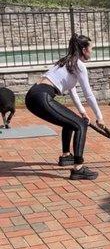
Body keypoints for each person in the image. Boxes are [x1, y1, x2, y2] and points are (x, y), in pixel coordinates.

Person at [25, 34, 105, 180]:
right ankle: (78, 168)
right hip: (41, 96)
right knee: (80, 125)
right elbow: (88, 95)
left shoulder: (65, 62)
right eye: (91, 48)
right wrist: (99, 117)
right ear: (84, 49)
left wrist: (82, 112)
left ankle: (66, 156)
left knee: (71, 120)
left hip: (33, 95)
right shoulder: (79, 66)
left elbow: (72, 89)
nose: (92, 51)